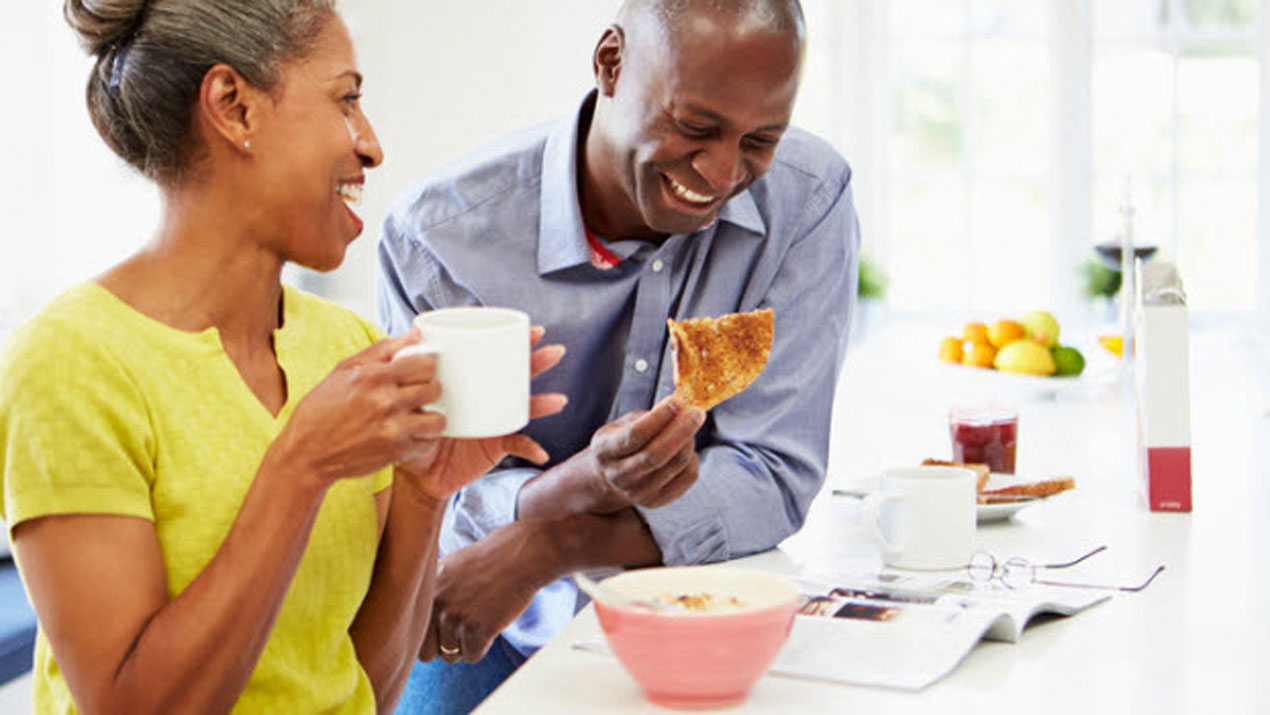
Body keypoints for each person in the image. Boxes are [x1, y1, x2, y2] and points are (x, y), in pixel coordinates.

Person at [0, 1, 564, 711]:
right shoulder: (71, 363)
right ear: (234, 107)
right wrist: (301, 466)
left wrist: (425, 494)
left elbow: (363, 689)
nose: (372, 145)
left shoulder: (349, 349)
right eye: (345, 100)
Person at [377, 0, 858, 712]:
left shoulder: (808, 199)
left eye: (760, 140)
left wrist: (556, 542)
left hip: (699, 607)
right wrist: (575, 486)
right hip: (487, 614)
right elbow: (425, 492)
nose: (722, 172)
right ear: (610, 63)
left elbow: (775, 472)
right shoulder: (441, 237)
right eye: (696, 126)